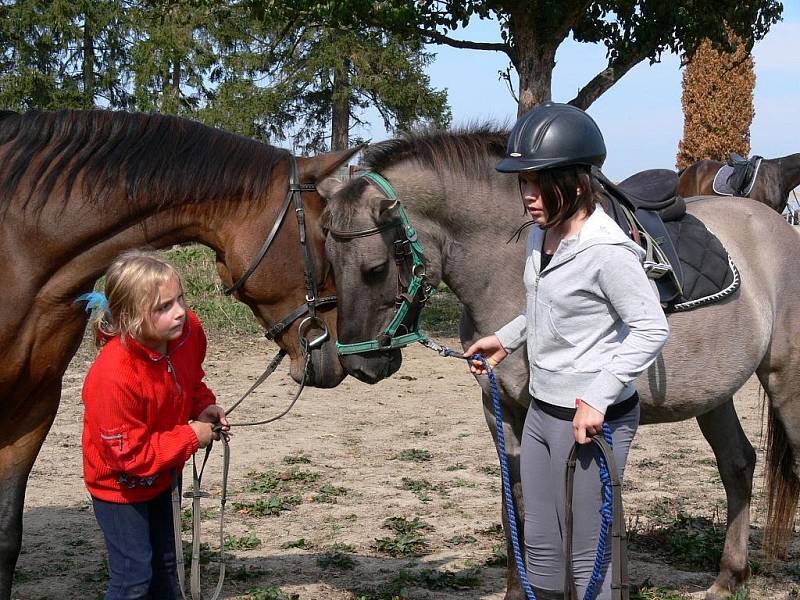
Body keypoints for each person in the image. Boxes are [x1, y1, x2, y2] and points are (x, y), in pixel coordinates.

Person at [466, 102, 669, 600]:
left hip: (592, 424)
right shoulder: (542, 234)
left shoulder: (607, 250)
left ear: (577, 183)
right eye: (523, 183)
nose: (529, 197)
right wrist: (508, 338)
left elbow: (650, 327)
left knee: (589, 559)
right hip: (541, 414)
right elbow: (546, 305)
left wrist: (598, 397)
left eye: (540, 183)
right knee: (540, 550)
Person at [80, 250, 229, 600]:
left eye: (179, 299)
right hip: (119, 488)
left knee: (167, 566)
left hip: (162, 474)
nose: (179, 311)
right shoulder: (113, 377)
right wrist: (192, 435)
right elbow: (130, 457)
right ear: (130, 318)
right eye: (163, 307)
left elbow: (190, 379)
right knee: (133, 577)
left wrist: (202, 405)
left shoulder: (188, 332)